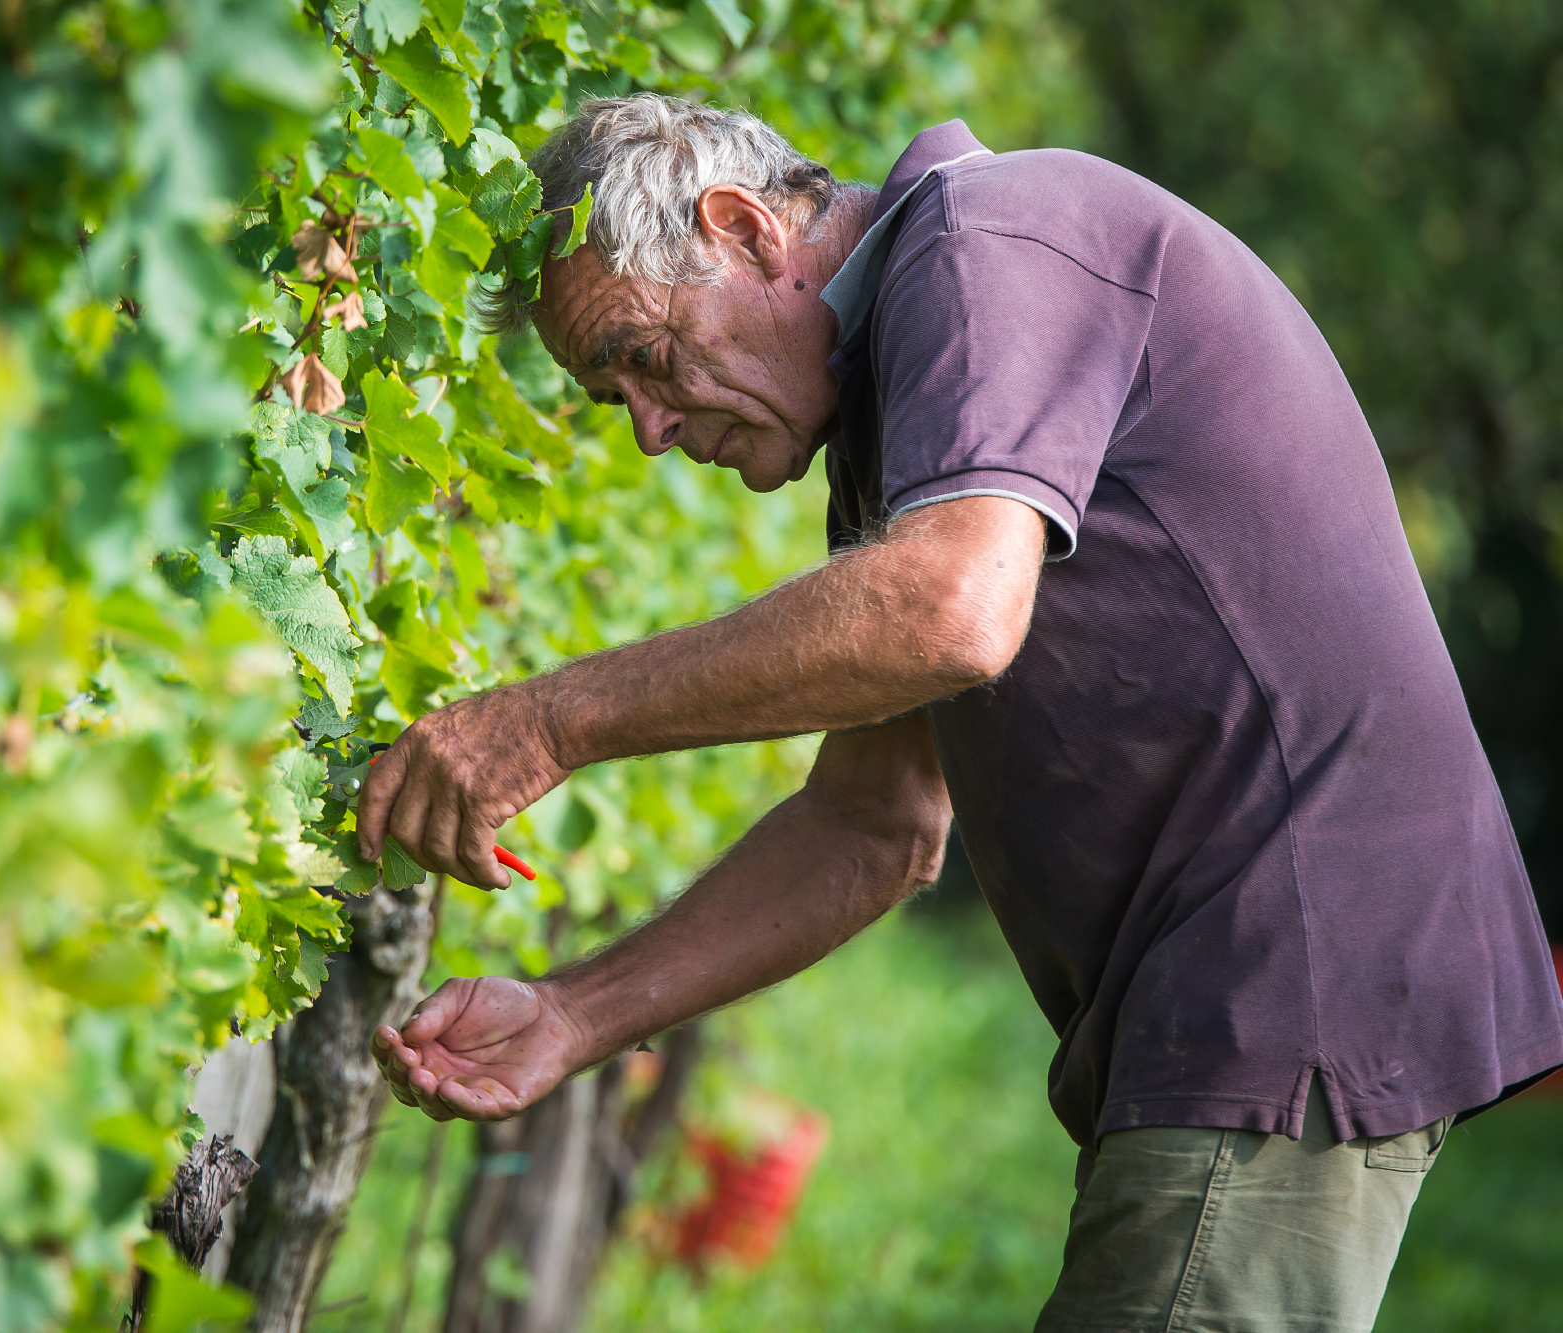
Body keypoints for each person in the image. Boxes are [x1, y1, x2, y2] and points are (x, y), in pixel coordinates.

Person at [358, 93, 1563, 1330]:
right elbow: (872, 823)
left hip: (1279, 974)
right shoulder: (900, 402)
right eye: (617, 400)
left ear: (742, 231)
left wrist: (546, 721)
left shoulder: (985, 242)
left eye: (647, 358)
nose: (653, 432)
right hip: (1234, 999)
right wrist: (572, 1014)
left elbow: (947, 610)